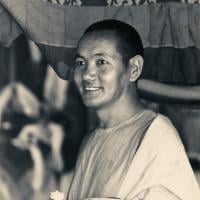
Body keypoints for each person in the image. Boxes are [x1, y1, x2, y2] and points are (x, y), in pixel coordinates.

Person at [67, 19, 200, 200]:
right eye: (81, 63)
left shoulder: (155, 134)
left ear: (134, 69)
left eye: (101, 62)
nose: (87, 74)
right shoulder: (91, 140)